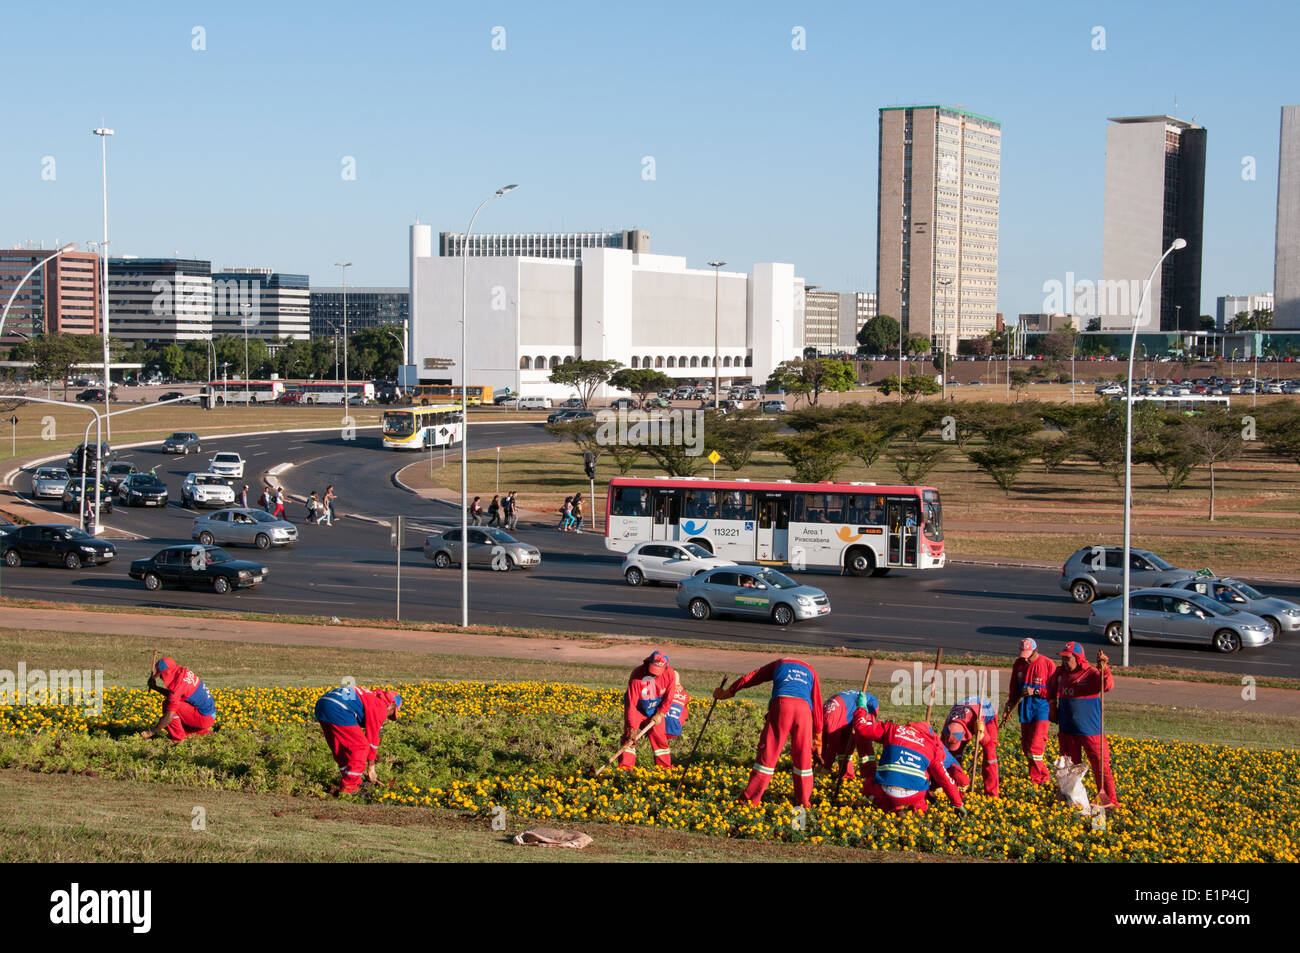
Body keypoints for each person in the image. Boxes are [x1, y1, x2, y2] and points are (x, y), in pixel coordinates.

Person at [714, 657, 823, 809]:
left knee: (767, 758)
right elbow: (817, 705)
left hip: (782, 706)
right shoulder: (811, 670)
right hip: (804, 711)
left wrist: (730, 691)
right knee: (803, 761)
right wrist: (818, 738)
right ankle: (803, 805)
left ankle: (748, 803)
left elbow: (751, 677)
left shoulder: (780, 663)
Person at [1047, 641, 1118, 808]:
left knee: (1101, 766)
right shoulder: (1060, 673)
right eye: (1063, 659)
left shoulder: (1091, 673)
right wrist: (1052, 705)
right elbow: (1050, 687)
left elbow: (1107, 685)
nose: (1064, 662)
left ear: (1078, 658)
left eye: (1068, 658)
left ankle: (1110, 801)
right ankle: (1072, 799)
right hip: (1067, 730)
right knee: (1069, 768)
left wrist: (1105, 670)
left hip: (1091, 731)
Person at [855, 719, 965, 815]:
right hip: (915, 795)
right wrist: (958, 803)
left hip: (889, 793)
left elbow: (862, 729)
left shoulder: (892, 729)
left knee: (868, 786)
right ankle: (919, 811)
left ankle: (891, 807)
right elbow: (945, 779)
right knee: (924, 775)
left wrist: (861, 708)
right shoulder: (931, 746)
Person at [313, 685, 403, 795]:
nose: (388, 717)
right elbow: (372, 739)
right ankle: (349, 789)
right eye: (392, 713)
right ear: (391, 705)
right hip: (339, 708)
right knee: (361, 747)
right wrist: (371, 767)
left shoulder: (371, 696)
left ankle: (349, 777)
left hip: (323, 703)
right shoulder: (380, 707)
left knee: (340, 748)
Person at [1003, 638, 1055, 785]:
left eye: (1028, 656)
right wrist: (1009, 706)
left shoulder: (1047, 664)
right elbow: (1014, 688)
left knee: (1035, 746)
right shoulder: (1018, 664)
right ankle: (1035, 776)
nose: (1026, 659)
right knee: (1026, 746)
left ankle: (1042, 778)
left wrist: (1036, 691)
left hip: (1041, 709)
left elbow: (1054, 691)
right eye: (1023, 655)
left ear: (1035, 651)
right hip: (1024, 709)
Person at [619, 651, 681, 770]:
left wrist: (661, 713)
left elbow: (669, 696)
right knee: (629, 737)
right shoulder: (637, 674)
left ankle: (664, 768)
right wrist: (632, 727)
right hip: (637, 709)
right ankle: (624, 769)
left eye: (658, 672)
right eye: (652, 670)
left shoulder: (670, 674)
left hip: (655, 710)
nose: (654, 675)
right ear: (648, 663)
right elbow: (631, 704)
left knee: (659, 738)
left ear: (665, 667)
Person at [141, 656, 217, 742]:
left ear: (166, 674)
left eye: (161, 675)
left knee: (168, 706)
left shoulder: (176, 688)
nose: (161, 678)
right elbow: (175, 696)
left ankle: (178, 738)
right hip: (210, 714)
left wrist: (151, 732)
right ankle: (198, 732)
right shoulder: (183, 673)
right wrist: (156, 688)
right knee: (172, 703)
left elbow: (168, 718)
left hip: (205, 718)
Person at [940, 695, 999, 797]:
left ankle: (992, 794)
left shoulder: (976, 718)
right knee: (952, 755)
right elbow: (941, 753)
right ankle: (954, 787)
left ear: (964, 735)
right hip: (962, 707)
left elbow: (987, 742)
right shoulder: (947, 727)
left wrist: (982, 736)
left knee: (990, 754)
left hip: (986, 711)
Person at [820, 689, 880, 780]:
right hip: (847, 712)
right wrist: (820, 761)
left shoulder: (829, 721)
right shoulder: (821, 717)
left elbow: (832, 746)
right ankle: (847, 776)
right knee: (844, 744)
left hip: (867, 705)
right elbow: (823, 742)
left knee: (863, 739)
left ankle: (869, 776)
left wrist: (826, 768)